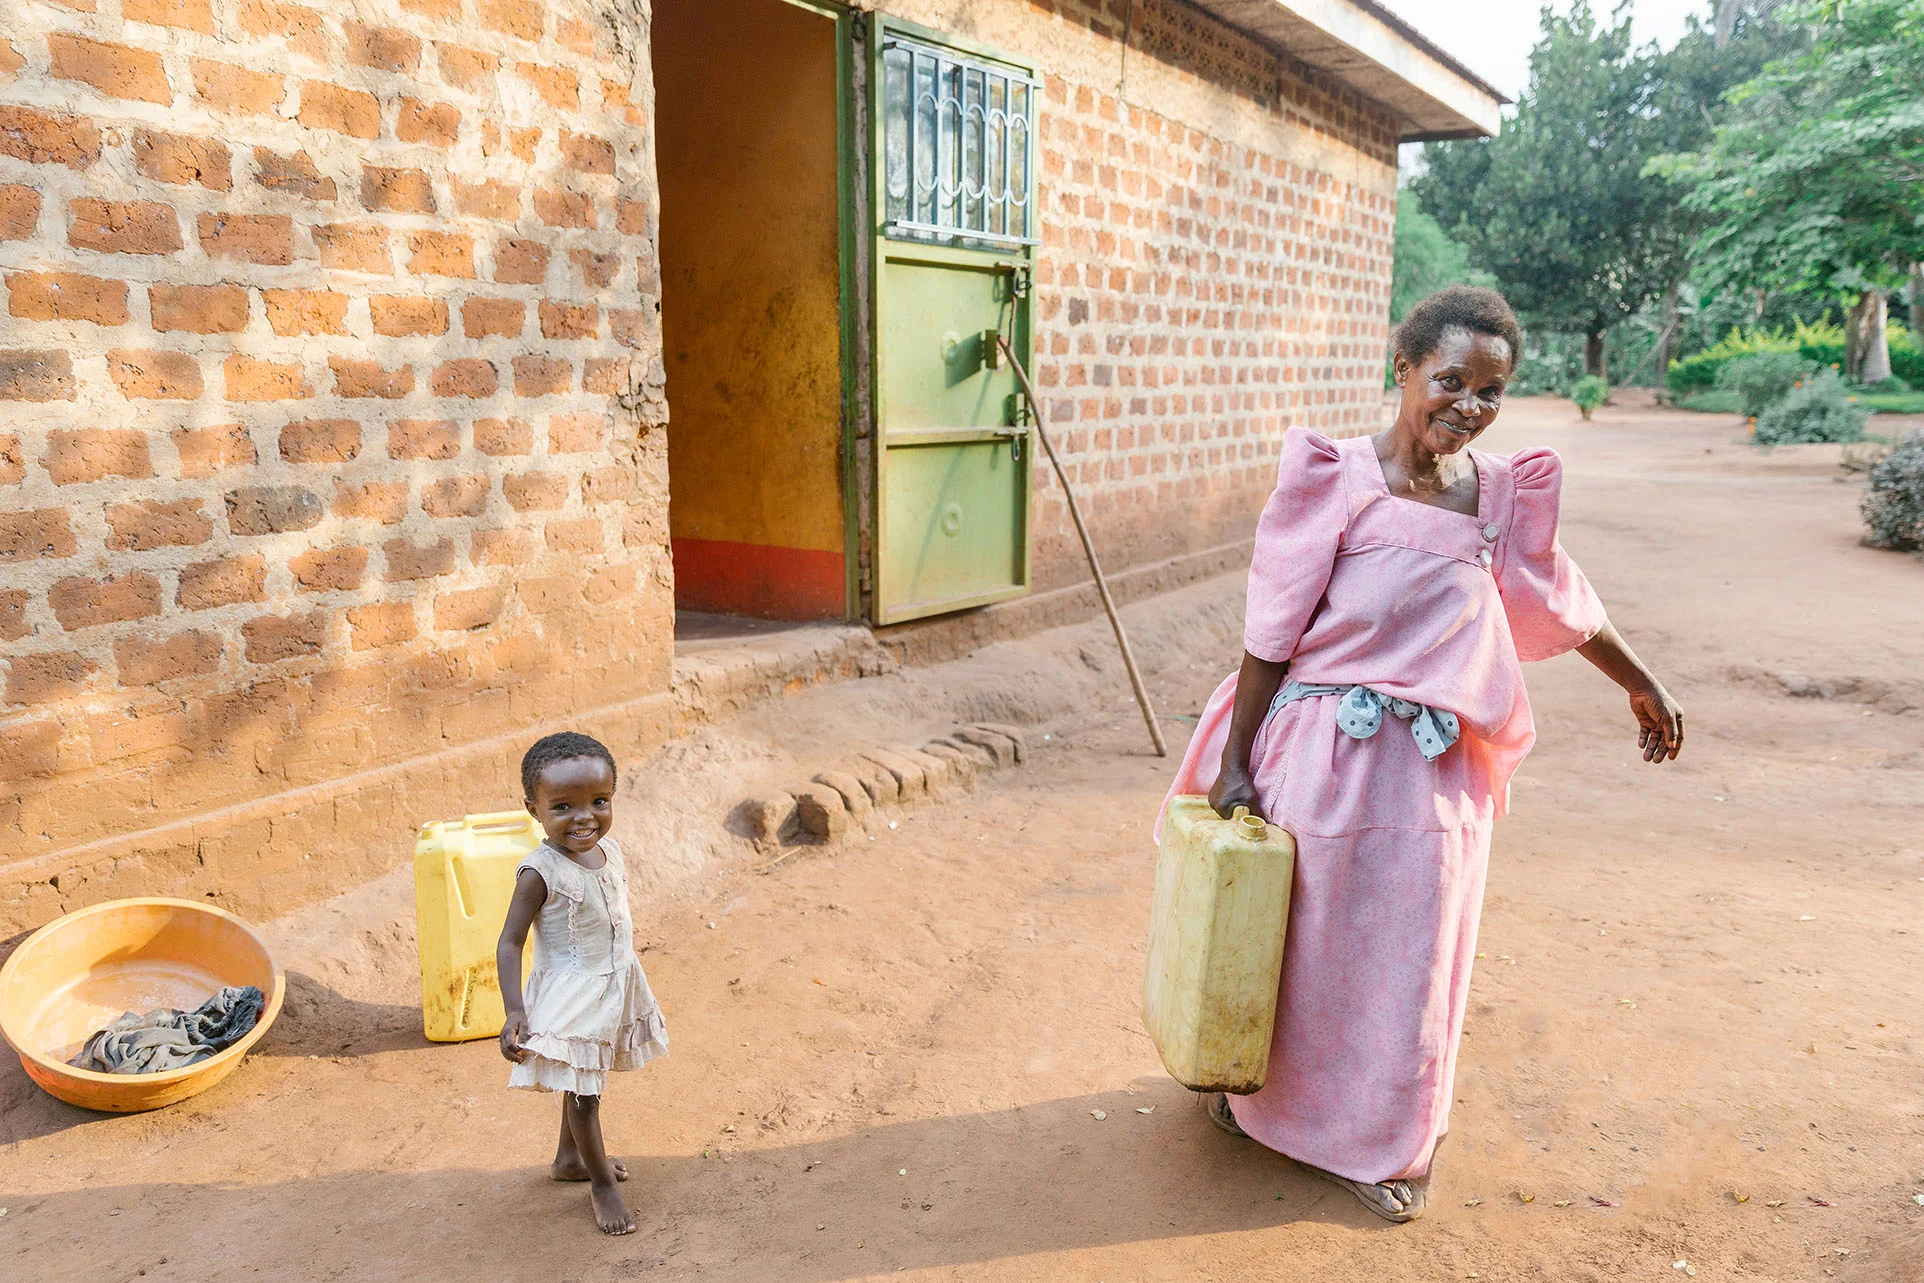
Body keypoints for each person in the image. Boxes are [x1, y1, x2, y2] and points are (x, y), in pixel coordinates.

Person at [1159, 286, 1684, 1223]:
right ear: (1403, 368)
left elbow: (1559, 600)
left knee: (1413, 959)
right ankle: (1254, 1099)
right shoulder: (1337, 477)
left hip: (1437, 773)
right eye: (1450, 381)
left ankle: (1382, 1145)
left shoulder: (1499, 498)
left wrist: (1638, 679)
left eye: (1491, 391)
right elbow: (1271, 631)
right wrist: (1238, 763)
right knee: (1303, 947)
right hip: (1319, 753)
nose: (1469, 407)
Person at [498, 731, 670, 1235]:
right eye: (563, 806)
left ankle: (568, 1160)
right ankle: (601, 1186)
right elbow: (509, 943)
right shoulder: (539, 872)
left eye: (599, 801)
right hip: (572, 995)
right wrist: (514, 1011)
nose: (584, 817)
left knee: (585, 1080)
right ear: (534, 808)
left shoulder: (609, 851)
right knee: (584, 1094)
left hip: (612, 986)